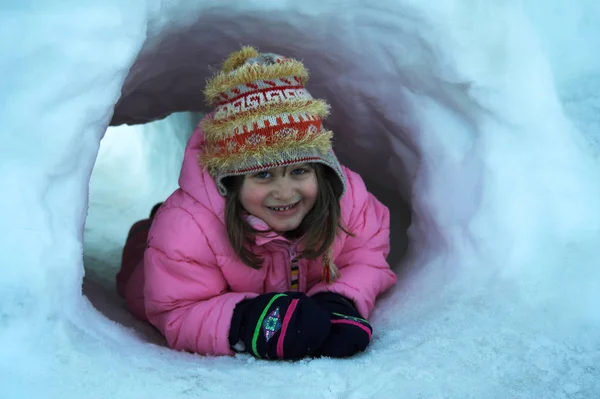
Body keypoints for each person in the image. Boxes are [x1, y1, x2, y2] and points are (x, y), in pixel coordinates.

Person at [116, 46, 397, 360]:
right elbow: (175, 309)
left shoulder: (349, 199)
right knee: (143, 259)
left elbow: (365, 257)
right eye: (263, 174)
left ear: (321, 167)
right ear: (232, 180)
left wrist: (338, 300)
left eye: (300, 170)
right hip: (164, 261)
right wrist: (244, 321)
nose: (284, 191)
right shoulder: (187, 227)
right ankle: (147, 228)